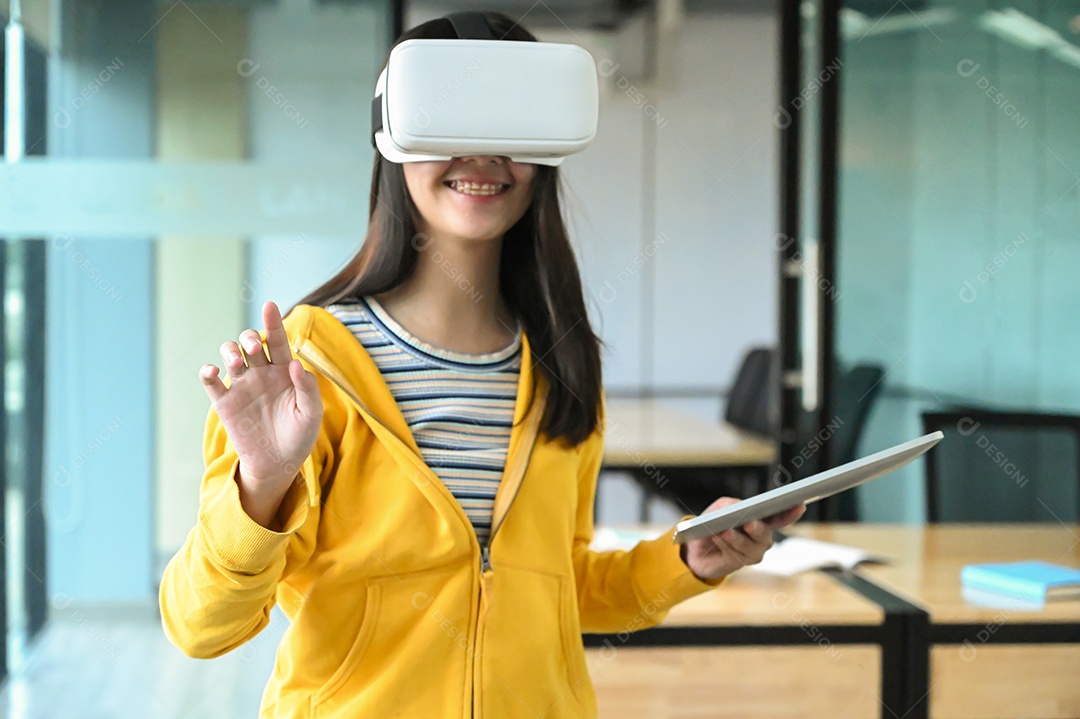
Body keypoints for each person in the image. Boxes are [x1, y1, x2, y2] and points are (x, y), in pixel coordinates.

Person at [159, 11, 805, 719]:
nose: (484, 156)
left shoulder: (562, 361)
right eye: (450, 123)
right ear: (393, 137)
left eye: (512, 129)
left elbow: (564, 587)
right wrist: (262, 483)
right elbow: (201, 626)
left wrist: (685, 561)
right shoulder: (307, 364)